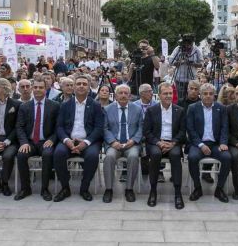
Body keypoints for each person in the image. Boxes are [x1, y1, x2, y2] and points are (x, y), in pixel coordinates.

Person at [53, 74, 104, 202]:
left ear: (89, 88)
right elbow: (59, 127)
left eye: (84, 84)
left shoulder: (96, 105)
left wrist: (86, 142)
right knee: (58, 153)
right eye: (79, 84)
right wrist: (67, 141)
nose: (81, 86)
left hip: (89, 141)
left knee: (92, 156)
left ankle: (84, 188)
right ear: (74, 87)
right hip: (69, 140)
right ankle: (65, 188)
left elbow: (99, 128)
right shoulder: (65, 105)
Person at [14, 78, 61, 201]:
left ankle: (44, 189)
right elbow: (19, 126)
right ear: (32, 89)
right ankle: (25, 188)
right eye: (35, 87)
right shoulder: (24, 106)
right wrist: (23, 142)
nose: (38, 90)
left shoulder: (54, 106)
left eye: (41, 87)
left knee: (47, 155)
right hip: (29, 142)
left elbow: (59, 127)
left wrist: (52, 139)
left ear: (46, 89)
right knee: (21, 155)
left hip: (46, 141)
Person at [143, 82, 186, 209]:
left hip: (173, 142)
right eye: (165, 93)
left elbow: (183, 131)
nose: (168, 96)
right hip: (157, 142)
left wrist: (173, 143)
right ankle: (153, 190)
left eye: (170, 93)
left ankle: (178, 193)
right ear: (159, 95)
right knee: (155, 154)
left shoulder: (180, 110)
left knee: (176, 155)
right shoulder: (151, 110)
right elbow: (147, 131)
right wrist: (158, 142)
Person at [186, 83, 230, 203]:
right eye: (205, 94)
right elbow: (190, 129)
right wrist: (201, 145)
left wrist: (223, 142)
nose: (208, 96)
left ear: (214, 95)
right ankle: (197, 187)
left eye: (211, 94)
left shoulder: (221, 108)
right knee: (192, 157)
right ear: (200, 95)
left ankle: (219, 189)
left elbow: (224, 128)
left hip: (216, 144)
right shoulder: (193, 108)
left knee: (227, 157)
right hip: (198, 144)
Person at [102, 85, 143, 203]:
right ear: (115, 96)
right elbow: (105, 128)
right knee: (109, 157)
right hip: (114, 143)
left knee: (133, 156)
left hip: (132, 144)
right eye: (121, 93)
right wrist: (112, 142)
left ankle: (129, 189)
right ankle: (109, 189)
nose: (123, 95)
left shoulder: (137, 109)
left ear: (130, 96)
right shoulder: (107, 109)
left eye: (126, 93)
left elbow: (141, 128)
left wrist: (134, 140)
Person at [168, 34, 203, 102]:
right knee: (180, 99)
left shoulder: (196, 50)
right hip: (179, 79)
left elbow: (201, 64)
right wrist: (180, 62)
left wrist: (192, 63)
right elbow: (170, 61)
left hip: (192, 78)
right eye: (185, 43)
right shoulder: (178, 48)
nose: (187, 45)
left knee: (192, 98)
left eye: (189, 43)